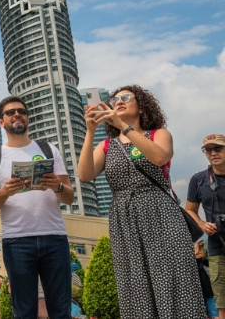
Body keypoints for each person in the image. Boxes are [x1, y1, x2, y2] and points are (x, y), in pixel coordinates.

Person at [78, 84, 206, 319]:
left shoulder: (158, 134)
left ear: (142, 105)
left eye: (126, 97)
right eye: (114, 99)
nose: (119, 101)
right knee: (135, 282)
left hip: (160, 212)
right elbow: (85, 174)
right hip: (124, 218)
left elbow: (159, 157)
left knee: (173, 277)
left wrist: (125, 128)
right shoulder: (106, 145)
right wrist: (89, 131)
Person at [0, 96, 75, 319]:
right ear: (1, 122)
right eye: (10, 112)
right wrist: (5, 192)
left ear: (27, 118)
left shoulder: (49, 150)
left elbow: (69, 197)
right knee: (24, 312)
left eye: (21, 111)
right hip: (17, 241)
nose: (17, 115)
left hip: (55, 237)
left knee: (61, 310)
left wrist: (57, 186)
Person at [187, 133, 225, 319]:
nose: (212, 153)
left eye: (217, 148)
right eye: (208, 150)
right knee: (221, 300)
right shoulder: (198, 179)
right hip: (218, 245)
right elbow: (190, 210)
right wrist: (202, 225)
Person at [193, 241, 218, 319]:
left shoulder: (199, 257)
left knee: (209, 298)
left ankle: (215, 315)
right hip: (203, 284)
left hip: (202, 282)